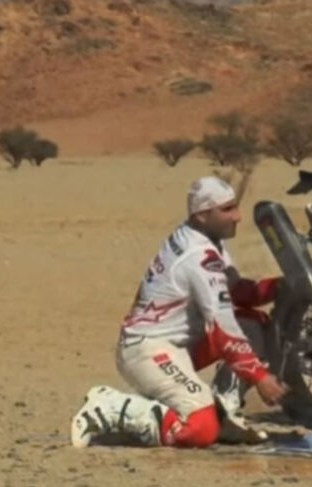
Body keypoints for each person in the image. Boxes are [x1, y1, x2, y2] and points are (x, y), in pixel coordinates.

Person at [70, 176, 288, 448]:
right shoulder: (197, 257)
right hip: (147, 351)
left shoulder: (202, 238)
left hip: (177, 345)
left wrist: (287, 285)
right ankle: (112, 407)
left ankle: (223, 410)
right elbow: (222, 330)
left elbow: (238, 293)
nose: (238, 217)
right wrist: (260, 377)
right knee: (200, 430)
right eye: (228, 209)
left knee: (254, 324)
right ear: (203, 215)